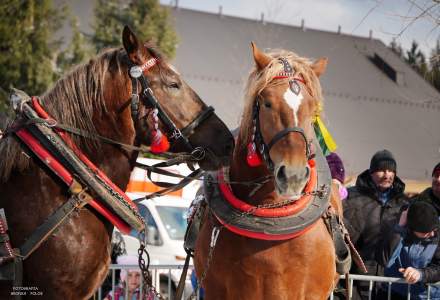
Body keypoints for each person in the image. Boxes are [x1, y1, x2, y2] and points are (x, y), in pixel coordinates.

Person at [343, 149, 409, 299]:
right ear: (371, 172)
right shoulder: (352, 197)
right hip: (356, 276)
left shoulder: (403, 202)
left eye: (390, 170)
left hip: (389, 279)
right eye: (381, 170)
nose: (387, 175)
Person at [377, 201, 440, 299]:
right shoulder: (395, 228)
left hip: (427, 296)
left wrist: (421, 274)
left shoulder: (437, 236)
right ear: (412, 228)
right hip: (393, 293)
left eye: (434, 230)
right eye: (425, 232)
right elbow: (385, 260)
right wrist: (399, 229)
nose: (432, 234)